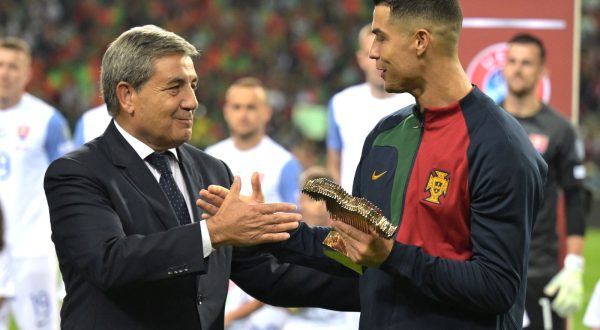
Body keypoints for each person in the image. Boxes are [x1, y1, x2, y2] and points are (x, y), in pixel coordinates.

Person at [198, 1, 548, 328]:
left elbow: (497, 288)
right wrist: (270, 229)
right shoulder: (386, 136)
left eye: (381, 37)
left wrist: (392, 256)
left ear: (420, 41)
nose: (372, 51)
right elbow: (357, 251)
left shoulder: (499, 146)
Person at [43, 25, 359, 329]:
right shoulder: (76, 173)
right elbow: (109, 262)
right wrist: (212, 232)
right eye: (174, 87)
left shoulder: (211, 170)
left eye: (192, 85)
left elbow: (266, 274)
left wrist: (378, 289)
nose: (192, 102)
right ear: (127, 96)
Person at [500, 33, 587, 330]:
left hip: (540, 271)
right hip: (489, 267)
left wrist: (574, 266)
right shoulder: (486, 121)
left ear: (542, 71)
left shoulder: (561, 130)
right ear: (503, 68)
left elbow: (576, 199)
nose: (517, 69)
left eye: (526, 62)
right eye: (512, 61)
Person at [206, 77, 301, 329]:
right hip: (222, 272)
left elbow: (296, 220)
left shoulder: (283, 162)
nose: (243, 114)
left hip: (266, 280)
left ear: (266, 112)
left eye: (251, 107)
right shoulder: (211, 158)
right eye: (237, 107)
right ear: (226, 112)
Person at [0, 36, 72, 330]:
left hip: (32, 247)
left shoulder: (47, 120)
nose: (5, 72)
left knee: (40, 326)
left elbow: (68, 180)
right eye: (0, 65)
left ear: (28, 73)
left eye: (13, 66)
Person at [326, 23, 414, 192]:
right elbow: (333, 166)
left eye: (385, 52)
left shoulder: (414, 104)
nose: (378, 60)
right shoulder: (341, 103)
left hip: (399, 211)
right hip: (351, 212)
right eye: (371, 54)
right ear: (360, 60)